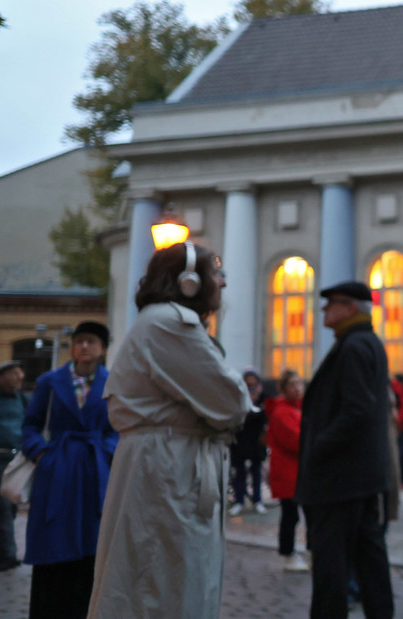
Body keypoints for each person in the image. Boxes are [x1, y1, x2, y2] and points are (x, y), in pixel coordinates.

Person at [89, 242, 251, 619]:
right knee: (161, 586)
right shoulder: (168, 322)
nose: (222, 284)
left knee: (165, 580)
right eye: (216, 273)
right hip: (168, 467)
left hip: (170, 461)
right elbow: (232, 401)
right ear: (189, 282)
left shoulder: (162, 320)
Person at [296, 280, 394, 619]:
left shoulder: (353, 347)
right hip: (360, 476)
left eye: (331, 304)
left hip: (340, 478)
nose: (324, 310)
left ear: (349, 308)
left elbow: (357, 408)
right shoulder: (364, 343)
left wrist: (320, 448)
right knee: (369, 558)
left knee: (331, 563)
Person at [21, 322, 116, 619]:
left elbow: (119, 427)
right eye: (79, 341)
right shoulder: (50, 381)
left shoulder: (113, 383)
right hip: (57, 473)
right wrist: (41, 453)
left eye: (91, 342)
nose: (84, 347)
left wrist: (107, 452)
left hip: (94, 473)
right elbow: (30, 424)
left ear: (102, 349)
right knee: (54, 544)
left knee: (91, 544)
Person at [266, 369, 309, 572]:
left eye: (299, 383)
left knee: (305, 514)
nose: (298, 388)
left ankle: (307, 550)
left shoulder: (298, 409)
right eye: (292, 384)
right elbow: (296, 440)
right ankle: (288, 553)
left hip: (299, 472)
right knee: (291, 515)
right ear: (284, 389)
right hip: (288, 473)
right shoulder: (282, 412)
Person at [0, 360, 26, 572]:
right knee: (3, 506)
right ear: (0, 378)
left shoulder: (23, 399)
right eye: (14, 373)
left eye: (20, 372)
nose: (19, 376)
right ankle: (10, 555)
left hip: (18, 460)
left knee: (10, 507)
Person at [230, 367, 270, 516]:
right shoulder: (239, 396)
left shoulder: (263, 397)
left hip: (257, 440)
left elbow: (266, 416)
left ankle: (257, 500)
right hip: (240, 439)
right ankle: (239, 500)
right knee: (239, 472)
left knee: (256, 472)